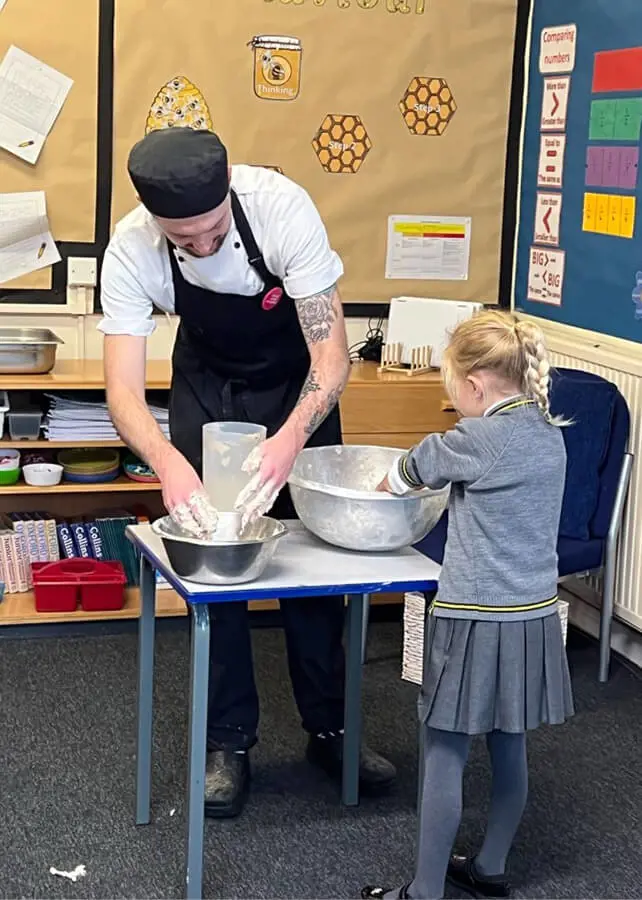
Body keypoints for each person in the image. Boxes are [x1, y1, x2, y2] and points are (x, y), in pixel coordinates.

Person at [99, 126, 396, 819]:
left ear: (229, 192)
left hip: (297, 388)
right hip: (207, 390)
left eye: (210, 231)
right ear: (156, 224)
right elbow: (121, 391)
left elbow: (332, 360)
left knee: (315, 566)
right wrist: (168, 463)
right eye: (183, 240)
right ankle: (227, 742)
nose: (200, 247)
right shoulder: (130, 249)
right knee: (214, 561)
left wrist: (294, 437)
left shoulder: (282, 209)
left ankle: (333, 730)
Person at [361, 310, 574, 900]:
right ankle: (491, 868)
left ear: (475, 387)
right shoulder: (547, 429)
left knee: (444, 749)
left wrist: (387, 485)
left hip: (474, 618)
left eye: (451, 392)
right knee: (510, 742)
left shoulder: (478, 438)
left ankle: (424, 892)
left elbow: (414, 468)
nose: (451, 404)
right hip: (532, 616)